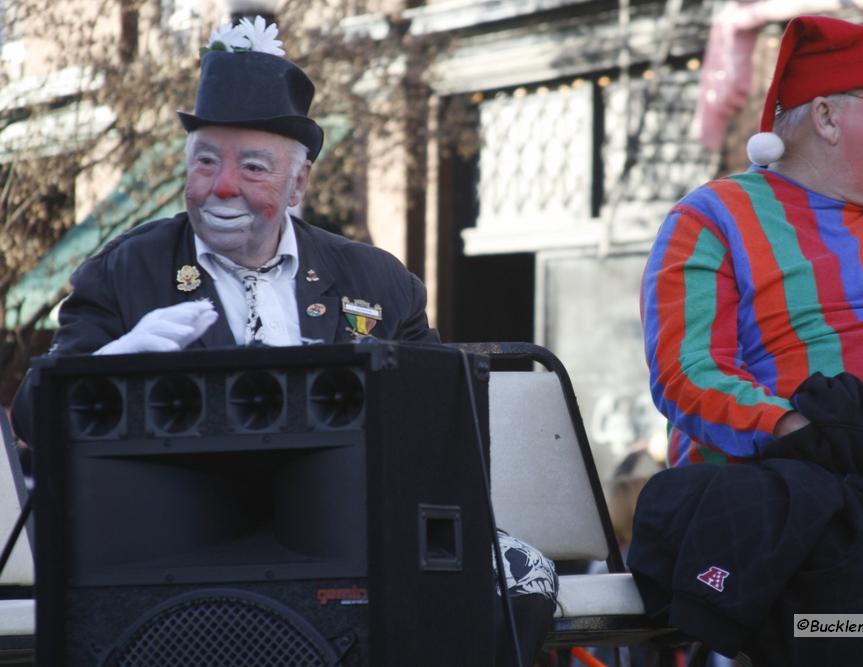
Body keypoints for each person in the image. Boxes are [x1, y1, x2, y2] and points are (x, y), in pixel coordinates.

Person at [11, 16, 556, 665]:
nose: (224, 187)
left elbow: (444, 426)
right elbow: (30, 417)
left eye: (253, 166)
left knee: (523, 575)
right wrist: (114, 368)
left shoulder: (377, 280)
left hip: (352, 524)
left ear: (298, 183)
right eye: (206, 161)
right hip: (174, 536)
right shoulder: (127, 271)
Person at [640, 13, 863, 662]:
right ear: (828, 117)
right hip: (848, 540)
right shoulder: (714, 218)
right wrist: (793, 430)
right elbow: (686, 373)